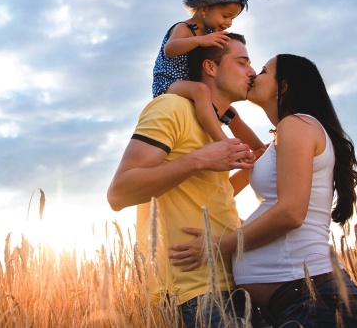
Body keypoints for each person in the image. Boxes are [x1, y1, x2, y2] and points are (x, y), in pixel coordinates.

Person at [169, 54, 357, 327]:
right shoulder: (287, 134)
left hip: (312, 300)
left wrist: (220, 245)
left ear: (283, 86)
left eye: (263, 70)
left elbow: (290, 213)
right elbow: (240, 182)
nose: (253, 74)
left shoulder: (296, 125)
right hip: (298, 301)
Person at [108, 34, 259, 327]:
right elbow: (119, 193)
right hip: (197, 292)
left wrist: (250, 171)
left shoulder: (215, 125)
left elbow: (209, 192)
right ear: (210, 68)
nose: (252, 72)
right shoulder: (172, 107)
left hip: (239, 280)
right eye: (242, 63)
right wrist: (200, 159)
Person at [152, 0, 263, 152]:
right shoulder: (185, 28)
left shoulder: (210, 32)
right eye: (225, 16)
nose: (228, 23)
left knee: (231, 113)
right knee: (201, 90)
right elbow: (170, 49)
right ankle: (222, 142)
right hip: (169, 84)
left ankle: (261, 150)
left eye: (232, 18)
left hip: (192, 85)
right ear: (203, 9)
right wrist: (200, 41)